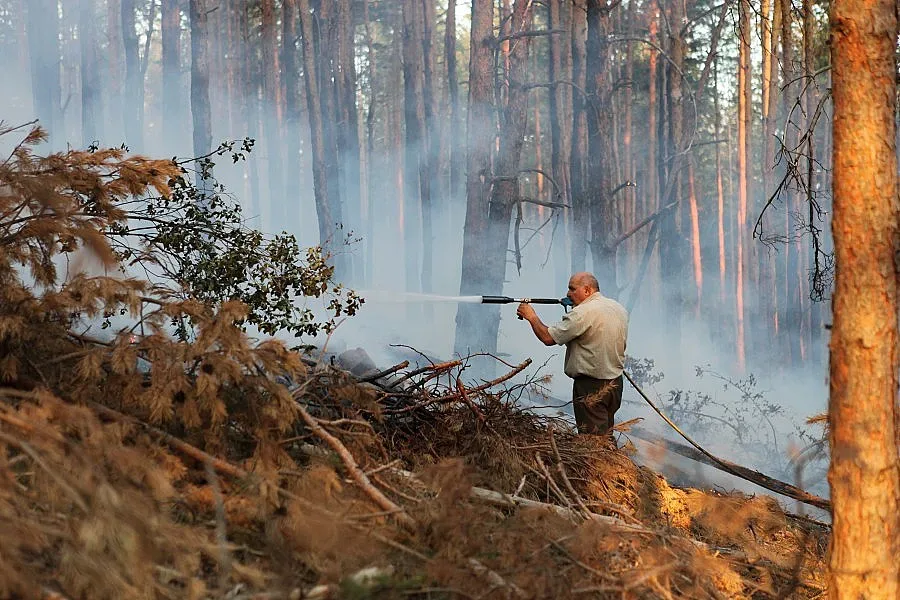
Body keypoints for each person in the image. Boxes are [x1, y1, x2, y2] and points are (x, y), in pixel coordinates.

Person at [516, 272, 628, 436]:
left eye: (572, 289)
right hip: (615, 383)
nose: (568, 293)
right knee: (604, 434)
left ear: (587, 290)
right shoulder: (617, 308)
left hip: (591, 386)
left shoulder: (582, 313)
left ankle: (600, 463)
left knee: (592, 441)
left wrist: (531, 316)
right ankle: (613, 461)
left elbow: (548, 338)